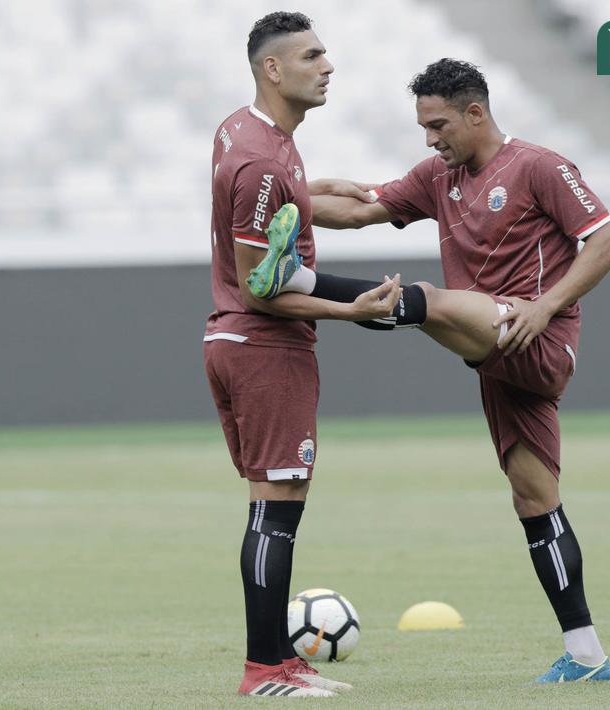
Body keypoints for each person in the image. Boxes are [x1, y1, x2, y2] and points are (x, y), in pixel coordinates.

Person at [261, 58, 610, 683]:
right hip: (494, 359)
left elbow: (608, 240)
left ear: (475, 113)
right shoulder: (439, 177)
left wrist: (546, 304)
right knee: (534, 501)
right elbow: (359, 208)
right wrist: (269, 192)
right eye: (424, 127)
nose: (430, 139)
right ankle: (588, 655)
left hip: (533, 334)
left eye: (438, 125)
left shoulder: (539, 167)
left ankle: (299, 281)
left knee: (425, 299)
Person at [204, 13, 407, 698]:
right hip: (262, 343)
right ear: (272, 69)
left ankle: (276, 663)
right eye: (311, 55)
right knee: (275, 504)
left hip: (241, 342)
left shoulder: (250, 132)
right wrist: (349, 312)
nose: (326, 66)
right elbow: (262, 288)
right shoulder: (263, 160)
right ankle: (265, 668)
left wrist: (314, 190)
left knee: (277, 501)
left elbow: (267, 203)